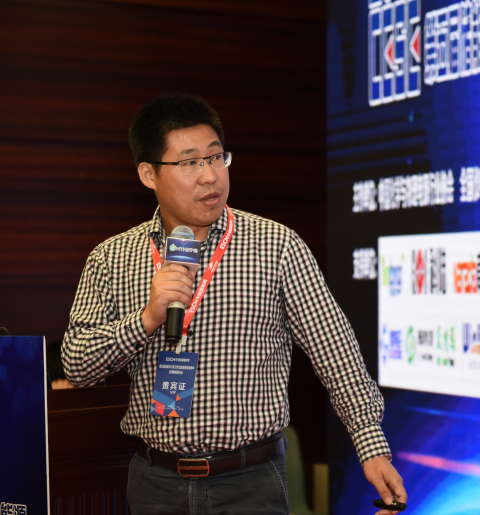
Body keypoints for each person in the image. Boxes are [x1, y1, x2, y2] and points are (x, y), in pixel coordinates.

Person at [62, 93, 407, 514]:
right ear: (148, 174)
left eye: (216, 157)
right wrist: (147, 318)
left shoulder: (276, 246)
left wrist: (371, 445)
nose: (210, 176)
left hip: (250, 483)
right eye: (190, 163)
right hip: (156, 483)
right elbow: (77, 365)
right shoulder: (112, 257)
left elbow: (336, 352)